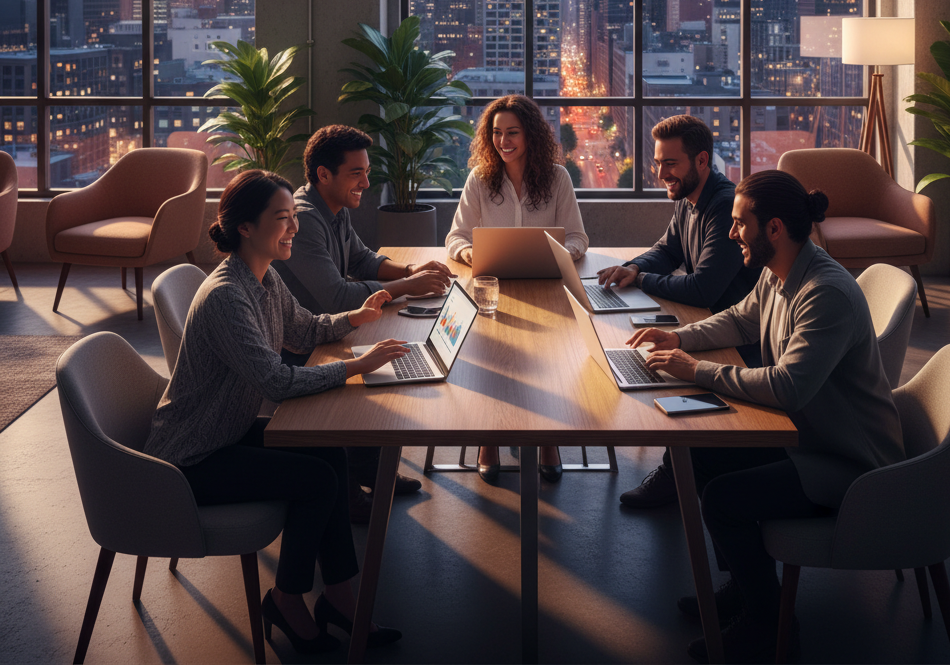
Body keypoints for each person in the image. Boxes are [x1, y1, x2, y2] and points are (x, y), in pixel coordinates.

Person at [626, 170, 904, 664]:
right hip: (809, 437)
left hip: (848, 464)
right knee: (706, 454)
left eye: (738, 223)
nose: (731, 234)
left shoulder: (824, 293)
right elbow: (739, 318)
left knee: (724, 500)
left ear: (773, 228)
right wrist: (678, 338)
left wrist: (697, 370)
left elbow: (787, 386)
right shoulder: (781, 273)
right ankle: (746, 588)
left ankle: (768, 623)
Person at [144, 170, 408, 654]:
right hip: (192, 457)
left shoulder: (262, 278)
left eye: (293, 217)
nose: (294, 229)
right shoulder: (228, 295)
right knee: (318, 481)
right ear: (245, 227)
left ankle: (340, 599)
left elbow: (304, 330)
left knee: (329, 456)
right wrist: (357, 365)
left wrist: (355, 317)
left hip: (227, 432)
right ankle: (287, 601)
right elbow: (276, 381)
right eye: (282, 219)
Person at [273, 124, 455, 513]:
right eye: (357, 173)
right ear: (324, 174)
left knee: (390, 354)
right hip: (300, 347)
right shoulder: (304, 221)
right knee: (381, 366)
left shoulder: (333, 209)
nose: (366, 182)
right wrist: (408, 286)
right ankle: (348, 488)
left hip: (326, 331)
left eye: (367, 172)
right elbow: (336, 296)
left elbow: (363, 259)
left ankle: (368, 468)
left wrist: (411, 270)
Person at [596, 115, 760, 509]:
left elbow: (704, 286)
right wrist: (634, 267)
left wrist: (640, 281)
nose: (660, 172)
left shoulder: (722, 205)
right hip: (707, 320)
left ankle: (679, 472)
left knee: (657, 362)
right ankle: (684, 465)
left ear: (701, 161)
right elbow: (667, 251)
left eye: (670, 163)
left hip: (738, 339)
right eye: (657, 163)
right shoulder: (689, 199)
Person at [445, 94, 588, 483]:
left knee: (551, 364)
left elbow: (578, 237)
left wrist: (564, 252)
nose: (503, 141)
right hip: (493, 287)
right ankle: (488, 439)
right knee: (493, 360)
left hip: (547, 287)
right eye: (496, 133)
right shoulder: (479, 178)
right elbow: (455, 237)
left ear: (530, 135)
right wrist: (472, 252)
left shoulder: (558, 177)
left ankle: (547, 440)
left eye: (512, 133)